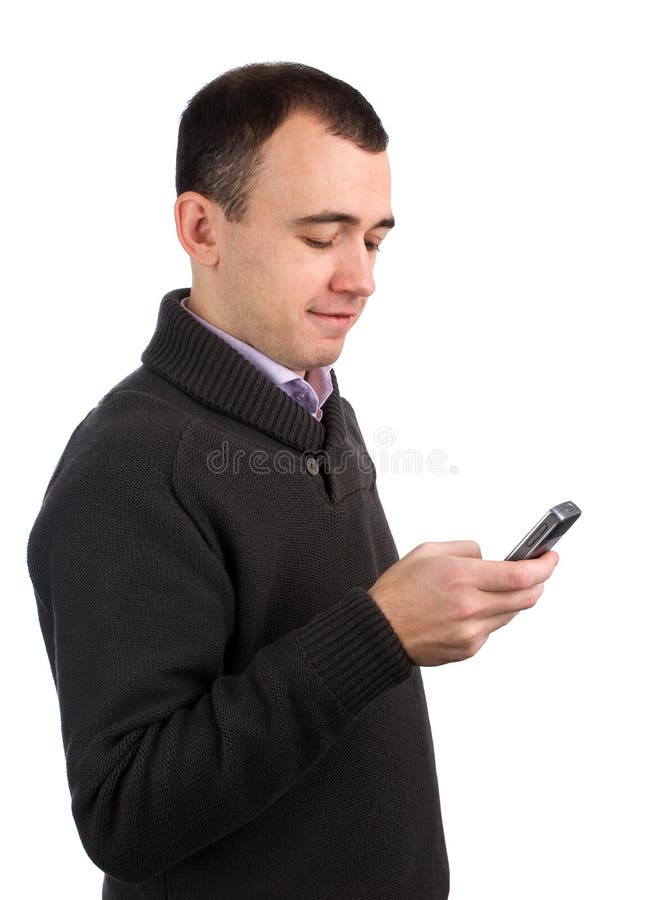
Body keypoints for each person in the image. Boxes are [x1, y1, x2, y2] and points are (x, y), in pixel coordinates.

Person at [26, 62, 558, 900]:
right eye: (320, 237)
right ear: (202, 228)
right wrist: (379, 633)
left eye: (375, 238)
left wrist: (419, 615)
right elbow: (125, 815)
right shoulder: (128, 470)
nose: (361, 278)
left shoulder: (308, 399)